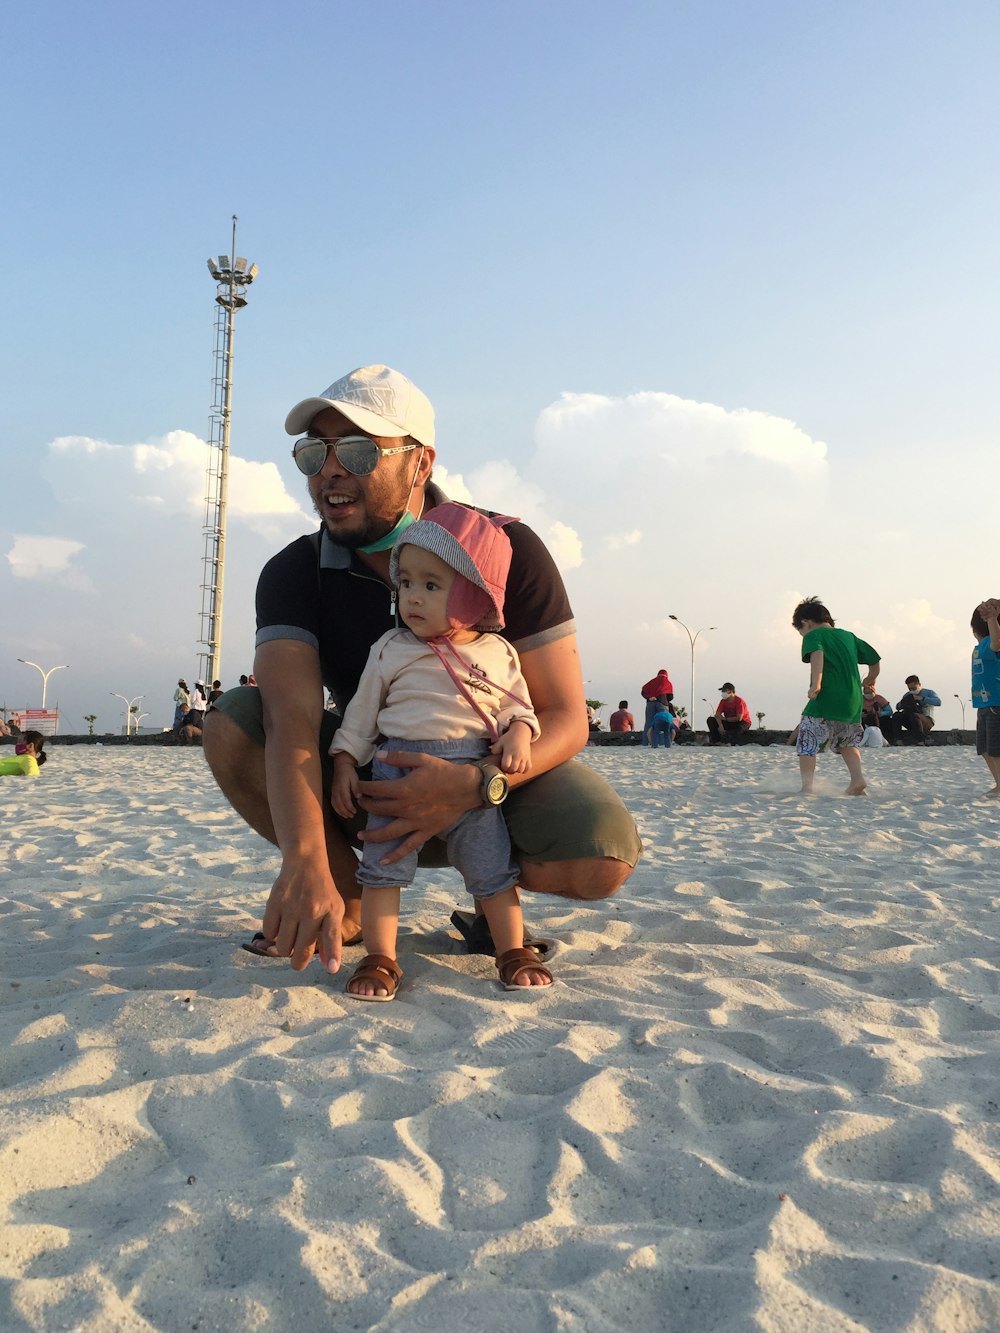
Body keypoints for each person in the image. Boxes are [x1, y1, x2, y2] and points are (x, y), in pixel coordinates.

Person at [203, 363, 641, 975]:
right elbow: (291, 721)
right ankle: (344, 898)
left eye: (357, 451)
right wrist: (304, 863)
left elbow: (566, 716)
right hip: (370, 783)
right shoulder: (295, 571)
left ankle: (493, 907)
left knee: (601, 857)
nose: (330, 469)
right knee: (234, 722)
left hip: (490, 777)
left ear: (420, 462)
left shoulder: (506, 547)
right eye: (313, 453)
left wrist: (478, 783)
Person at [330, 503, 552, 998]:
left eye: (432, 585)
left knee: (493, 873)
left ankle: (511, 949)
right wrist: (345, 760)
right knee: (381, 870)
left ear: (476, 596)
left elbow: (518, 707)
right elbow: (362, 715)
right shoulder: (391, 647)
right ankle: (380, 959)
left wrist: (517, 735)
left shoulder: (498, 652)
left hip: (473, 779)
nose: (412, 597)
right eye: (405, 582)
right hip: (395, 775)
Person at [791, 596, 881, 796]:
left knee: (808, 739)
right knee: (847, 741)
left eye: (800, 630)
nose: (802, 635)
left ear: (805, 622)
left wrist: (816, 684)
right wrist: (871, 679)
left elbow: (817, 655)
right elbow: (874, 657)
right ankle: (857, 779)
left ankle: (807, 787)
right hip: (852, 701)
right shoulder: (848, 636)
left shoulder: (813, 636)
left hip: (826, 698)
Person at [971, 598, 1000, 796]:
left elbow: (997, 642)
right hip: (984, 703)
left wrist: (991, 619)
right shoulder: (979, 647)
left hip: (996, 704)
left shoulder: (991, 643)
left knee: (996, 748)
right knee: (984, 748)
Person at [890, 676, 942, 745]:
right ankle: (899, 740)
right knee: (897, 715)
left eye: (914, 688)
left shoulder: (929, 692)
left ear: (919, 684)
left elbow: (938, 702)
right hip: (910, 719)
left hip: (926, 719)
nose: (912, 690)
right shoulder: (908, 695)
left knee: (914, 716)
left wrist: (922, 698)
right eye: (910, 689)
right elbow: (898, 707)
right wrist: (904, 702)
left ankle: (921, 740)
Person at [640, 668, 673, 743]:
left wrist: (649, 697)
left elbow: (643, 691)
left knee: (649, 722)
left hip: (650, 703)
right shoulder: (667, 682)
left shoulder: (651, 682)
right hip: (662, 703)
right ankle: (661, 741)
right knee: (663, 722)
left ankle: (646, 742)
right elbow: (670, 696)